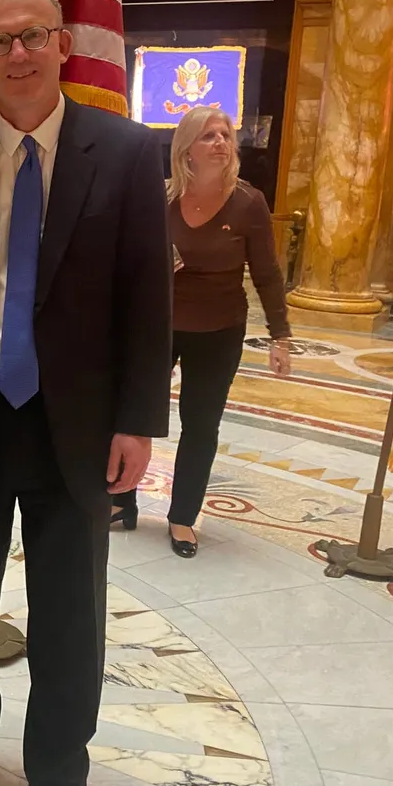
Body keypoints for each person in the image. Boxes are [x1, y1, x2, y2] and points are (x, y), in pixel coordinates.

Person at [0, 0, 173, 786]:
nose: (17, 53)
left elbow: (147, 296)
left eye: (32, 36)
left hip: (80, 421)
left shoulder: (127, 151)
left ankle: (60, 763)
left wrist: (139, 419)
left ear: (63, 44)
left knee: (69, 605)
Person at [112, 107, 292, 557]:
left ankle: (182, 517)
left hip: (219, 330)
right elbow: (128, 261)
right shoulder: (158, 197)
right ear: (186, 149)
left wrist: (280, 336)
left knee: (201, 424)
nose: (220, 143)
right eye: (209, 135)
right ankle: (121, 502)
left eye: (226, 135)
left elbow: (267, 273)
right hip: (158, 327)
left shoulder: (248, 203)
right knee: (133, 413)